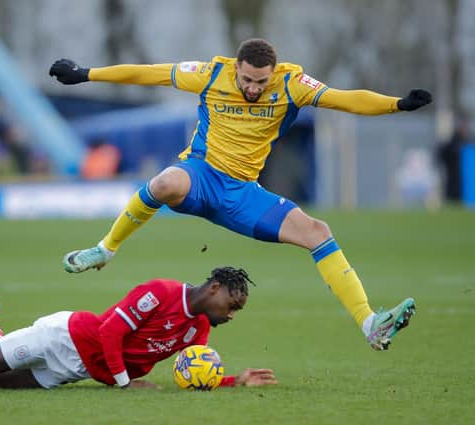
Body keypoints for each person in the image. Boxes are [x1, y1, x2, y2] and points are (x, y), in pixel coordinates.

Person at [49, 38, 431, 351]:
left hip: (242, 194)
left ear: (272, 74)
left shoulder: (292, 84)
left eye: (260, 83)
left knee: (318, 232)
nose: (252, 88)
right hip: (200, 174)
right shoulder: (210, 73)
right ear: (236, 68)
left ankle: (370, 325)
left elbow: (344, 99)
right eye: (247, 79)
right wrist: (86, 74)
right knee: (165, 183)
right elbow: (149, 75)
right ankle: (105, 249)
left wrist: (395, 105)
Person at [0, 267, 278, 390]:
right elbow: (109, 334)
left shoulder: (198, 330)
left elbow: (195, 375)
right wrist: (124, 383)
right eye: (232, 304)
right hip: (64, 337)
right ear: (214, 289)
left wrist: (233, 382)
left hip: (74, 370)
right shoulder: (159, 292)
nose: (232, 314)